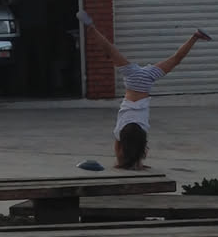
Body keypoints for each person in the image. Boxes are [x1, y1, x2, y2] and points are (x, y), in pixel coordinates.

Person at [78, 11, 210, 168]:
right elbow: (119, 144)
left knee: (175, 59)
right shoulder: (120, 130)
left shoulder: (143, 128)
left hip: (145, 79)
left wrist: (126, 163)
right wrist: (120, 162)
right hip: (134, 77)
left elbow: (138, 145)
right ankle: (92, 28)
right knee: (110, 50)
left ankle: (195, 36)